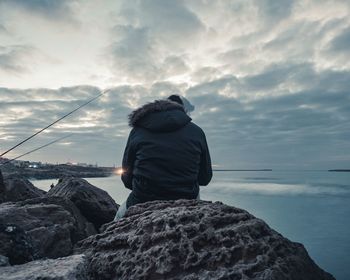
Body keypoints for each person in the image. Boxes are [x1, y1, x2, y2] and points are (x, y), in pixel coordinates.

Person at [114, 95, 212, 220]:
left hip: (142, 200)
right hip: (186, 200)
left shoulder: (137, 131)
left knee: (116, 220)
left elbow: (127, 179)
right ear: (183, 111)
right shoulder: (197, 132)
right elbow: (205, 178)